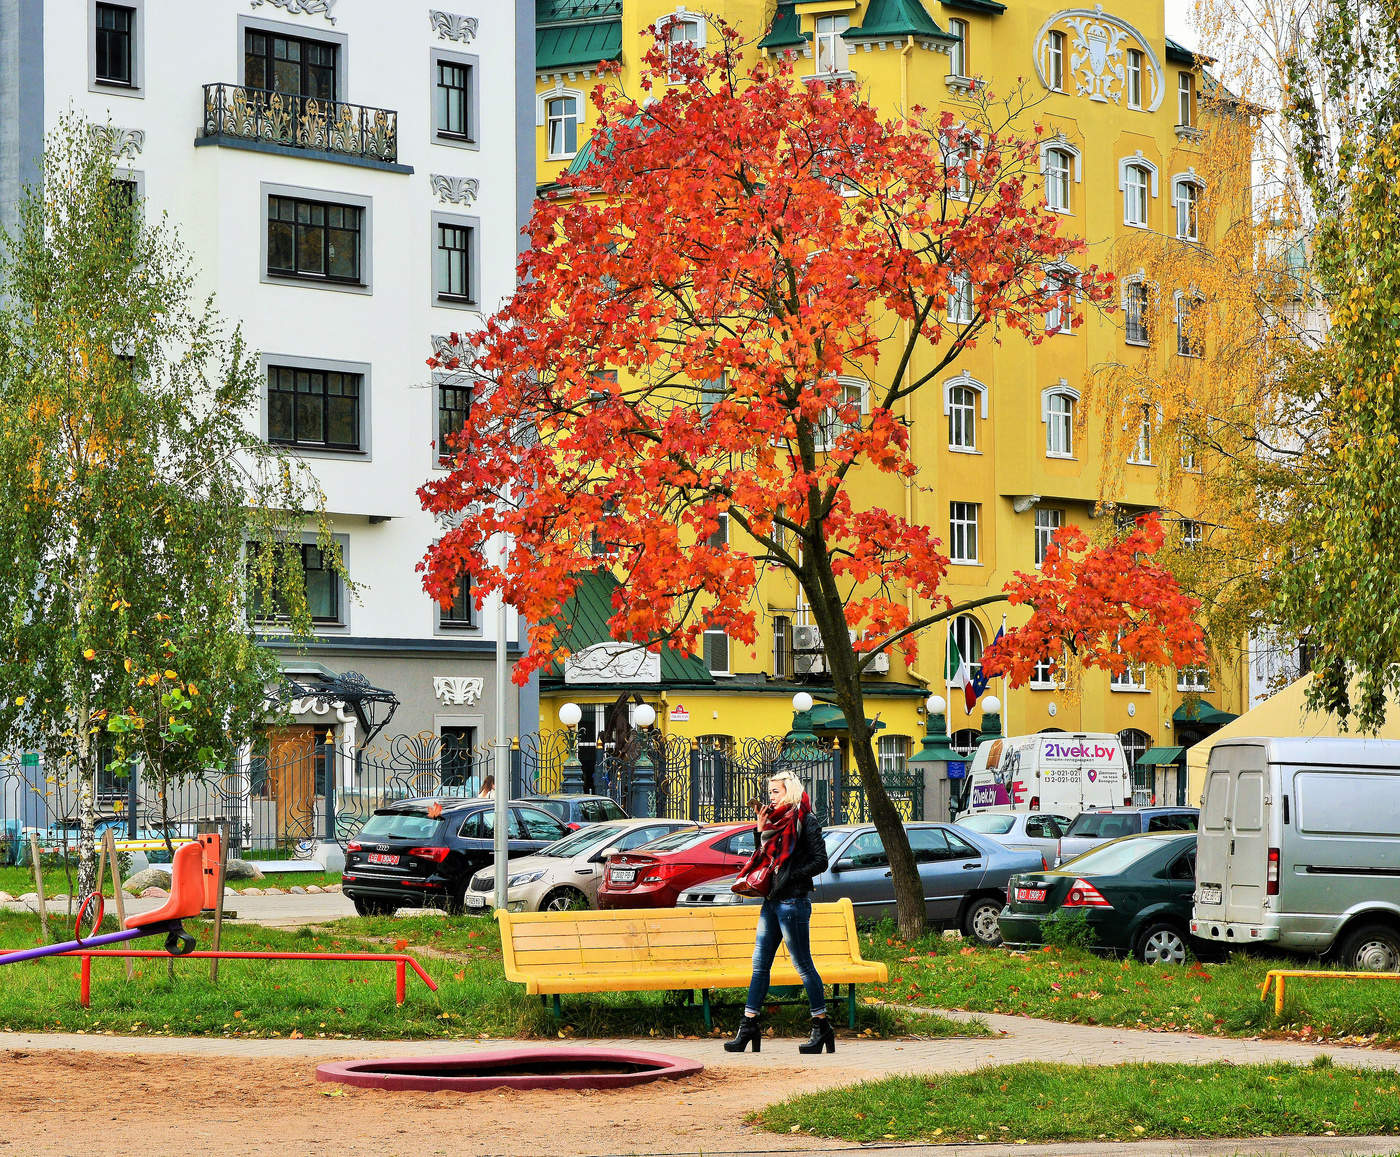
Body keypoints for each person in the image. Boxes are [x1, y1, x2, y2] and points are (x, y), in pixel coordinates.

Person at [724, 769, 833, 1055]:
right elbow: (764, 857)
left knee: (803, 965)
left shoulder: (805, 820)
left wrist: (790, 877)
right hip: (771, 901)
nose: (771, 796)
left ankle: (821, 1026)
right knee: (759, 965)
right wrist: (758, 830)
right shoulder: (771, 821)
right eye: (770, 791)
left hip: (793, 902)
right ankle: (748, 1027)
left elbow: (821, 861)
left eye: (776, 791)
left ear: (791, 791)